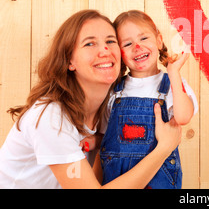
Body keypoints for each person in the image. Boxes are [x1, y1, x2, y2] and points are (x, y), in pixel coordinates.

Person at [0, 10, 181, 189]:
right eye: (89, 44)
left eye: (111, 41)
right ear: (70, 61)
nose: (104, 50)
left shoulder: (110, 108)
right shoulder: (51, 117)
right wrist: (164, 148)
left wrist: (101, 141)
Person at [99, 10, 198, 189]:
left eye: (144, 39)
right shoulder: (114, 90)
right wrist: (91, 142)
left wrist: (174, 74)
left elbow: (183, 117)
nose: (137, 47)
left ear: (159, 41)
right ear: (119, 53)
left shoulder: (171, 84)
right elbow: (105, 134)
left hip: (160, 178)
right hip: (118, 180)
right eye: (128, 43)